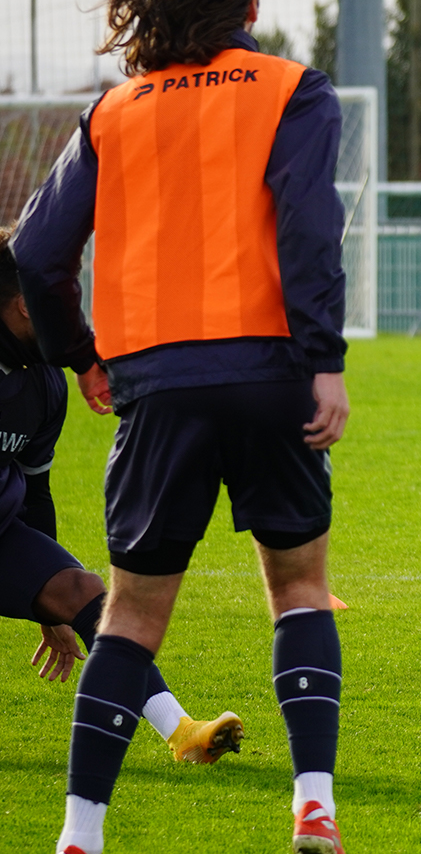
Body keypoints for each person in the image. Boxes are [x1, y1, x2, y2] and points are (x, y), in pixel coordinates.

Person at [14, 0, 352, 854]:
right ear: (252, 4)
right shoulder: (293, 89)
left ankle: (79, 841)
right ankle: (314, 809)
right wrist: (325, 361)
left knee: (128, 616)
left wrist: (81, 357)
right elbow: (309, 232)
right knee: (299, 590)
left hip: (157, 386)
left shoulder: (113, 112)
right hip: (271, 374)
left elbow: (36, 254)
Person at [0, 227, 243, 768]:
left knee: (81, 589)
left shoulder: (44, 381)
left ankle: (183, 732)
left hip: (4, 530)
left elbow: (35, 489)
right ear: (24, 305)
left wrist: (45, 597)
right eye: (61, 299)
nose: (72, 314)